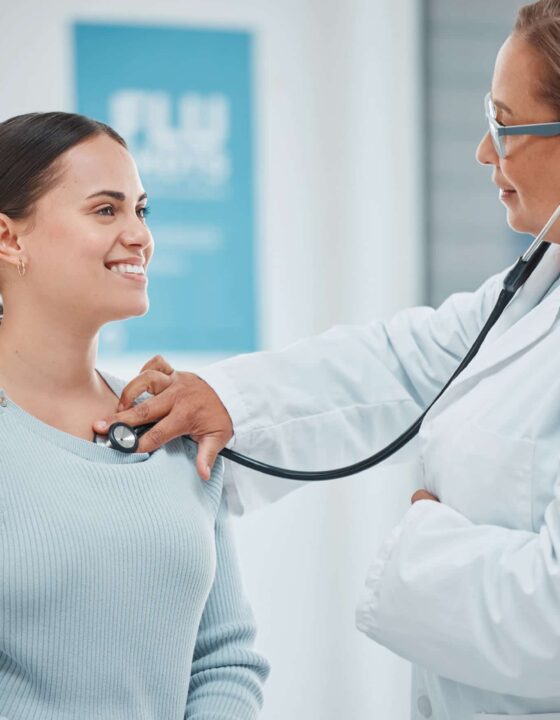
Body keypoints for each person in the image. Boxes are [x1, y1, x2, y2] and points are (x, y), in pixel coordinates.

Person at [93, 0, 560, 717]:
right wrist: (227, 399)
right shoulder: (535, 289)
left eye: (504, 123)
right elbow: (404, 363)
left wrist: (425, 547)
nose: (482, 151)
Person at [0, 111, 269, 719]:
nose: (139, 236)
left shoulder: (169, 425)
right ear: (10, 238)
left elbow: (225, 659)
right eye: (105, 210)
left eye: (141, 211)